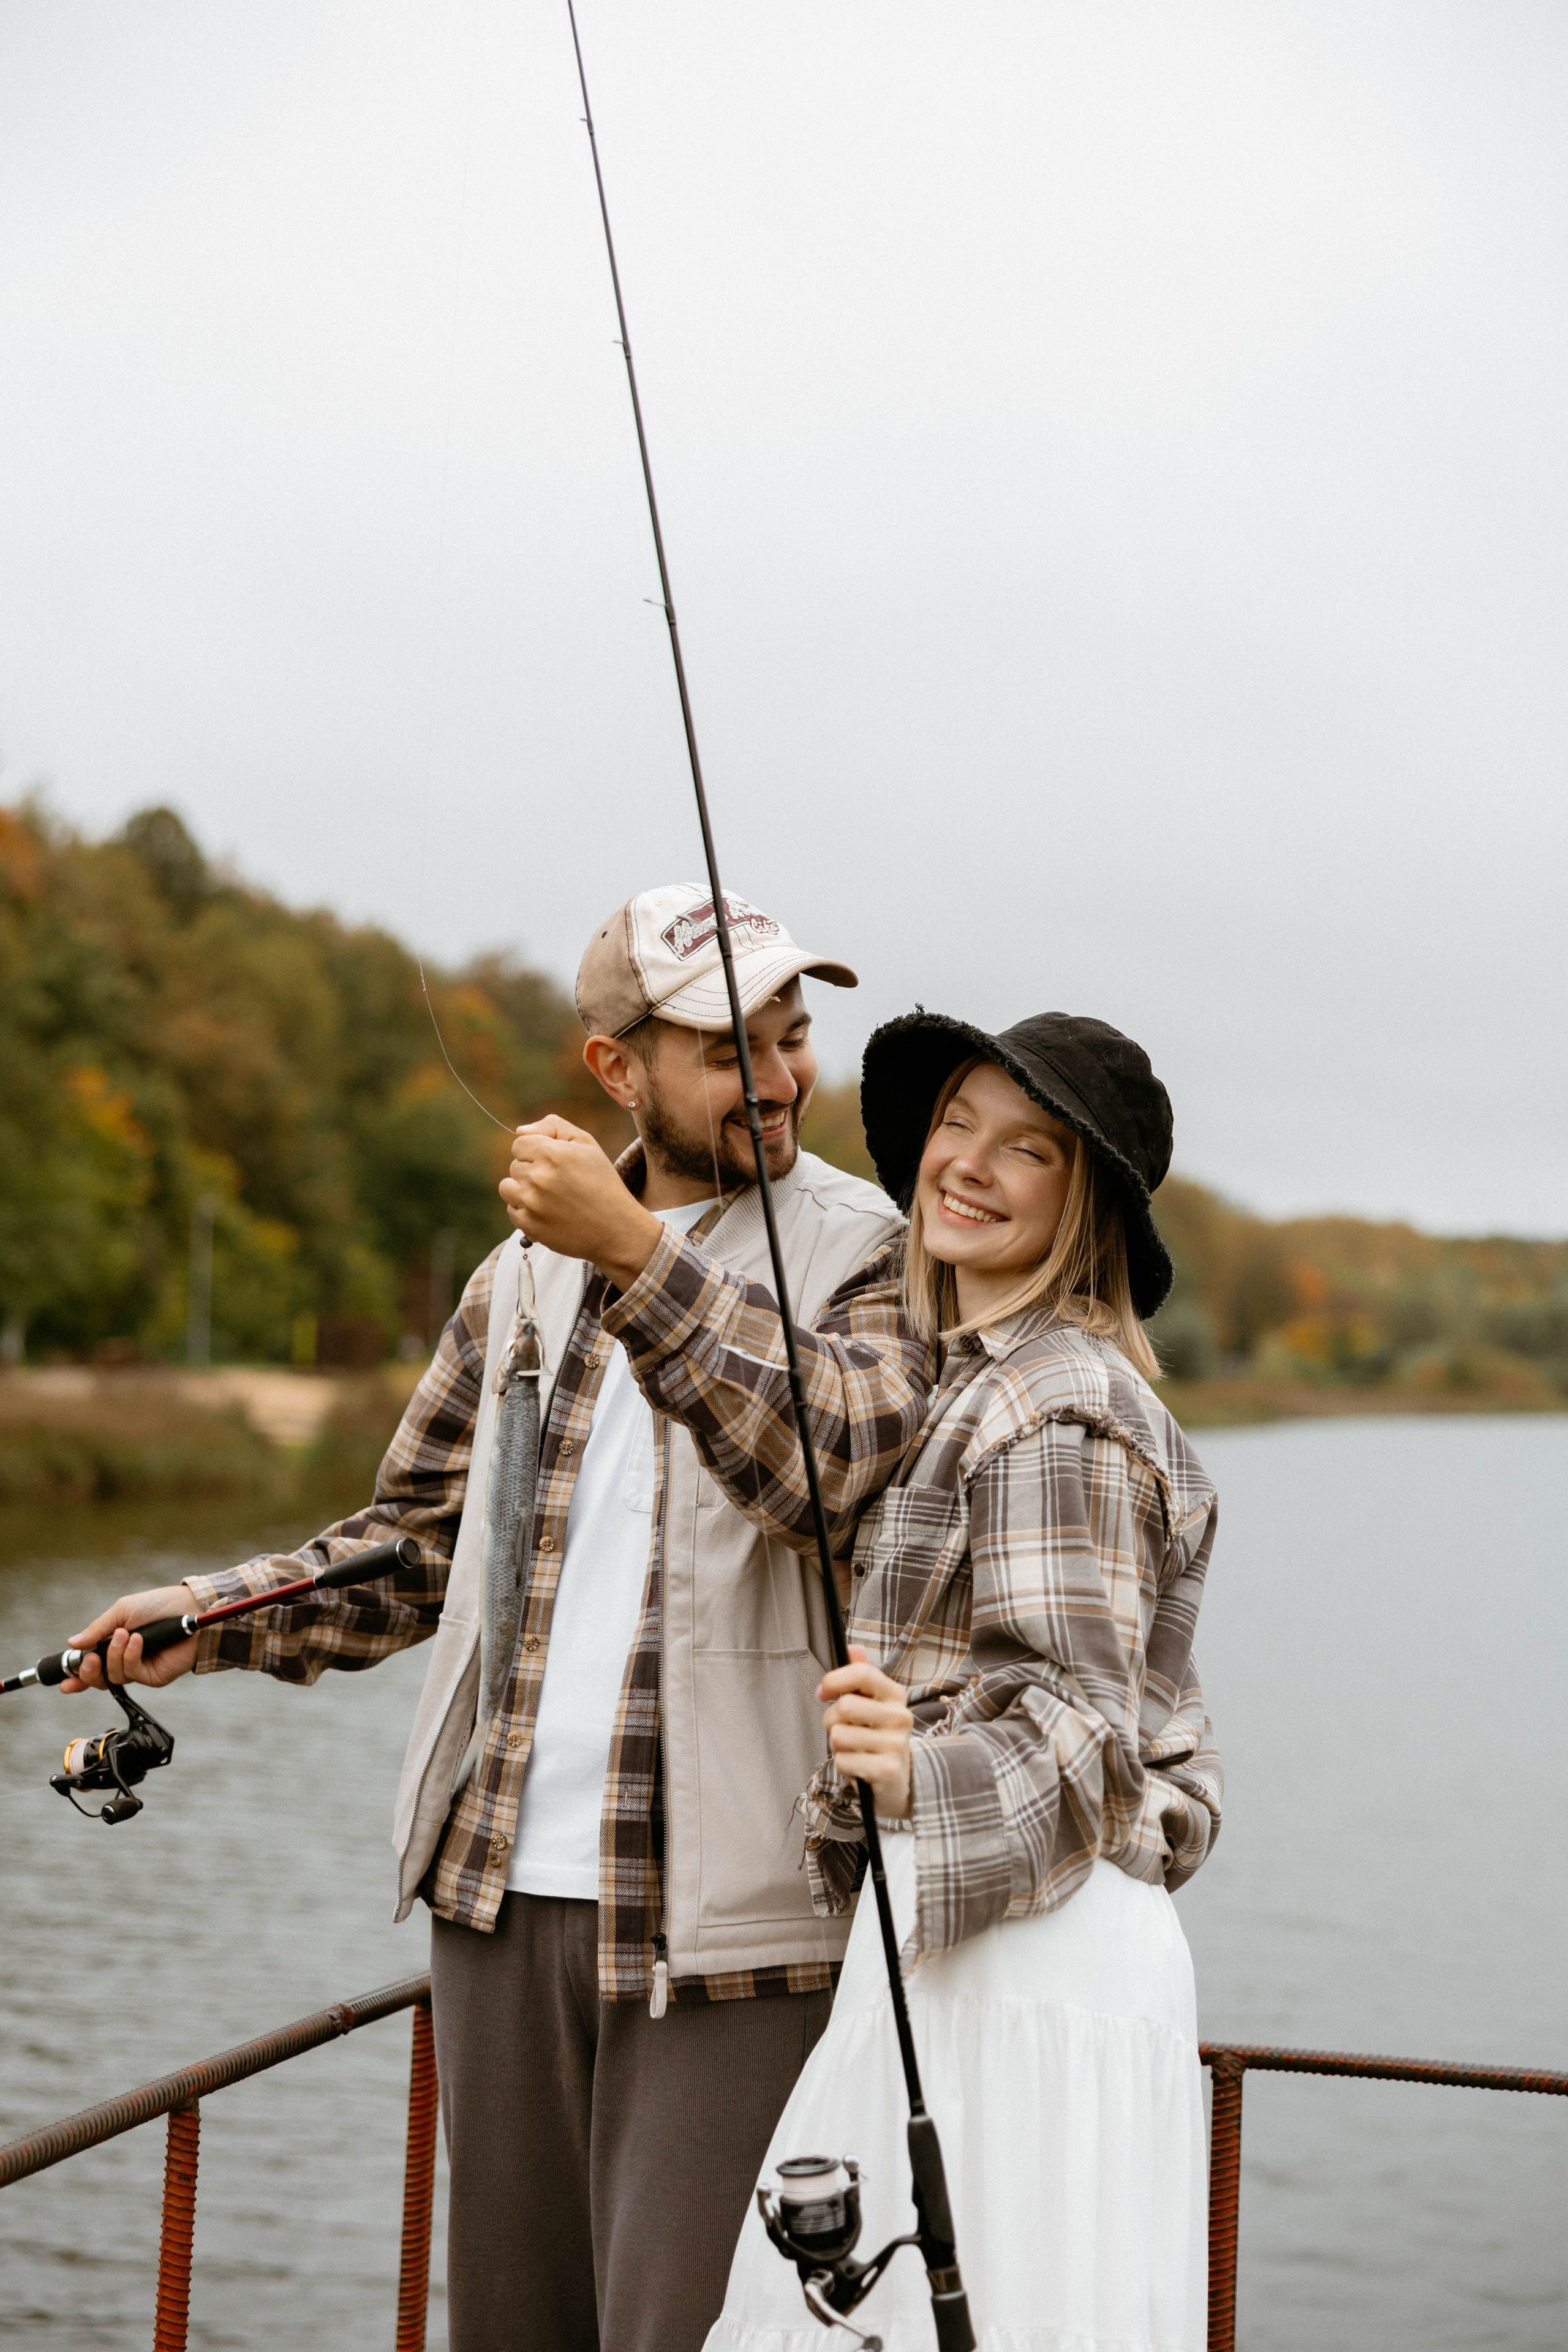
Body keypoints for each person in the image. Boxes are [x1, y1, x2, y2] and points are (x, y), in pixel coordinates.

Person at [64, 883, 935, 2352]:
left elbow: (834, 1466)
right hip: (495, 1897)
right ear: (618, 1069)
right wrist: (212, 1617)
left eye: (793, 1041)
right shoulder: (519, 1275)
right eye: (733, 1049)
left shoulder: (866, 1250)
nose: (781, 1081)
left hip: (729, 1924)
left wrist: (635, 1257)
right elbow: (415, 1548)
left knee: (683, 2331)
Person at [521, 1007, 1223, 2351]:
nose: (966, 1163)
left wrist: (916, 1767)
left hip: (1027, 1964)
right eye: (955, 1124)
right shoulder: (968, 1375)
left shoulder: (1055, 1408)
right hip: (957, 1932)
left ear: (1084, 1207)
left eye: (1025, 1149)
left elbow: (1074, 1728)